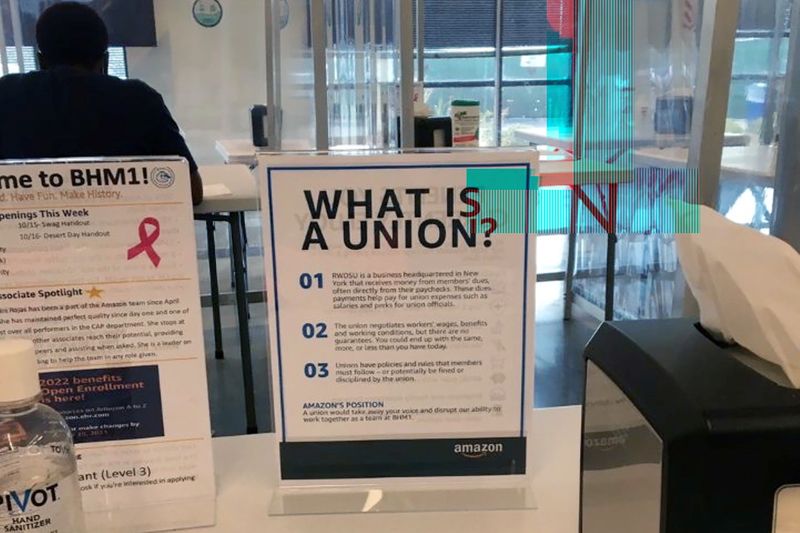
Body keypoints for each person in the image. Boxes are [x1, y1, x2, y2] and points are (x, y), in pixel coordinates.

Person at [0, 2, 203, 204]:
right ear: (104, 62)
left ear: (40, 61)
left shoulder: (6, 95)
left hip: (28, 234)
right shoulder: (139, 99)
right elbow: (191, 191)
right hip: (129, 234)